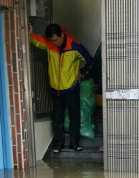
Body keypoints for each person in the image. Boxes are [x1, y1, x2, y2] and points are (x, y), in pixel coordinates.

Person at [30, 24, 93, 153]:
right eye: (52, 41)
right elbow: (37, 41)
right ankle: (58, 144)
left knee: (74, 117)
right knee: (57, 117)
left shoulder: (74, 46)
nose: (56, 43)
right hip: (55, 89)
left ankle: (74, 143)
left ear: (62, 35)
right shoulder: (49, 44)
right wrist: (29, 33)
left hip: (71, 88)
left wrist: (82, 72)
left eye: (57, 39)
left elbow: (89, 59)